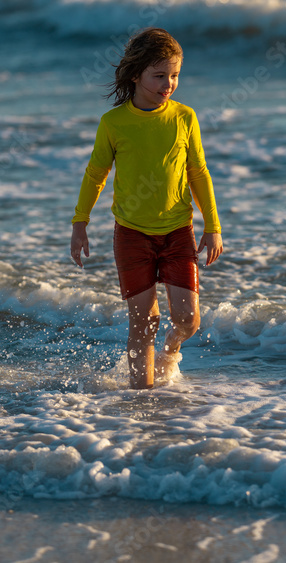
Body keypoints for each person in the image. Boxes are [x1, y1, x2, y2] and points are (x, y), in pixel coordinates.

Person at [70, 27, 223, 389]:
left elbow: (198, 172)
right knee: (144, 322)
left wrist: (212, 226)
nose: (168, 83)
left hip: (177, 232)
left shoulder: (185, 117)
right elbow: (96, 174)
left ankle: (170, 352)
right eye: (159, 76)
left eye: (174, 76)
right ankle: (143, 399)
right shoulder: (114, 123)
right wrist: (80, 222)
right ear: (136, 74)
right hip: (132, 235)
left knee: (187, 320)